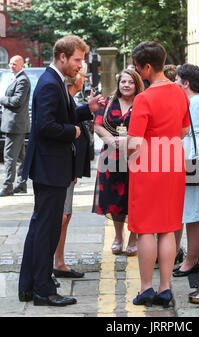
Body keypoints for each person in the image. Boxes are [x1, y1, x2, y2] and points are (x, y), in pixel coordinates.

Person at [18, 35, 104, 307]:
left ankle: (30, 285)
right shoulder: (49, 84)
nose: (80, 65)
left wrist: (86, 110)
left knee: (41, 227)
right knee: (46, 229)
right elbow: (45, 127)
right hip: (50, 167)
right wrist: (74, 131)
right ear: (63, 56)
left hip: (51, 166)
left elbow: (60, 116)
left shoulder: (53, 81)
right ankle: (43, 290)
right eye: (78, 60)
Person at [128, 41, 190, 308]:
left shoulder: (144, 98)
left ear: (148, 66)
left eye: (139, 68)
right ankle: (165, 289)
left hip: (149, 164)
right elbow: (185, 131)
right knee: (168, 228)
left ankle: (146, 289)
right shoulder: (180, 93)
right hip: (173, 162)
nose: (138, 73)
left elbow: (133, 141)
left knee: (145, 230)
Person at [92, 69, 144, 256]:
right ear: (118, 84)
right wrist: (113, 141)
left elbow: (147, 128)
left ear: (136, 84)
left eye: (130, 82)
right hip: (111, 158)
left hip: (136, 158)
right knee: (115, 199)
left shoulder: (142, 104)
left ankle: (133, 238)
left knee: (135, 198)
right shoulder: (108, 103)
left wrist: (128, 142)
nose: (126, 85)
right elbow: (97, 125)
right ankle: (118, 236)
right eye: (123, 82)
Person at [173, 64, 199, 277]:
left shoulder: (197, 102)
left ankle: (192, 260)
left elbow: (198, 136)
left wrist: (189, 165)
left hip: (192, 166)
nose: (175, 83)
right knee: (184, 213)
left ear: (186, 83)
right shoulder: (190, 101)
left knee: (195, 215)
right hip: (186, 165)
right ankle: (183, 256)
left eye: (177, 80)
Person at [53, 62, 90, 279]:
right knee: (61, 216)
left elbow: (73, 116)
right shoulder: (63, 95)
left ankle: (59, 261)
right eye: (82, 75)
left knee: (65, 216)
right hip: (59, 167)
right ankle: (55, 263)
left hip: (68, 167)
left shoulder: (70, 98)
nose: (83, 79)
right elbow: (61, 126)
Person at [0, 55, 30, 197]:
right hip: (15, 124)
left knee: (9, 156)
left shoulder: (22, 80)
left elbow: (17, 101)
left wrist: (2, 99)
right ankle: (21, 184)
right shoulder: (17, 78)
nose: (11, 66)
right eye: (10, 63)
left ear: (21, 65)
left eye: (14, 64)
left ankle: (8, 186)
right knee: (19, 157)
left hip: (15, 125)